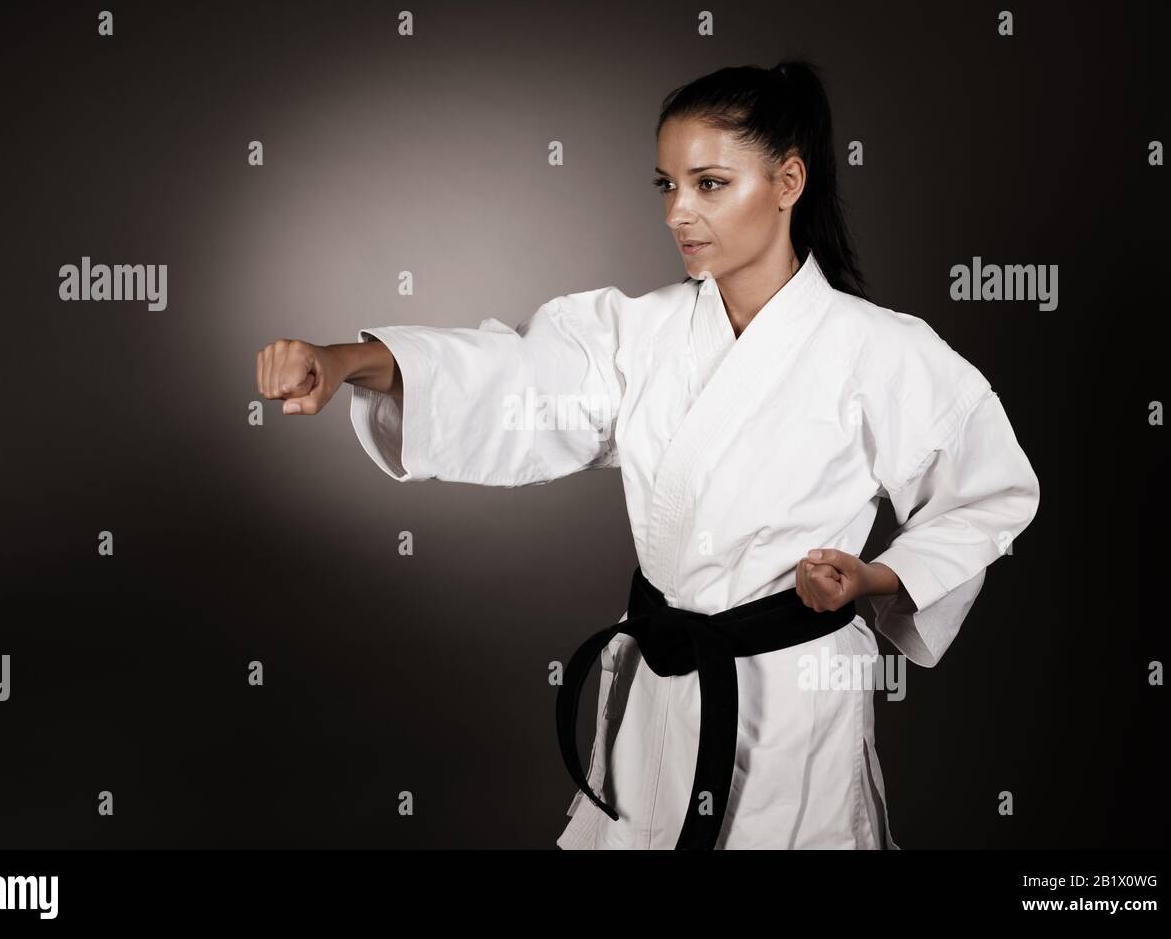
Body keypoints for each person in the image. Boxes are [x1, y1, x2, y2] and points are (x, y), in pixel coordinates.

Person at [253, 58, 1041, 849]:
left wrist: (873, 578)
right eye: (666, 185)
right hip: (661, 679)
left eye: (709, 184)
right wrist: (352, 360)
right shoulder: (639, 331)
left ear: (788, 181)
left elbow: (990, 493)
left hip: (790, 693)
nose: (679, 213)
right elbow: (514, 380)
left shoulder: (880, 349)